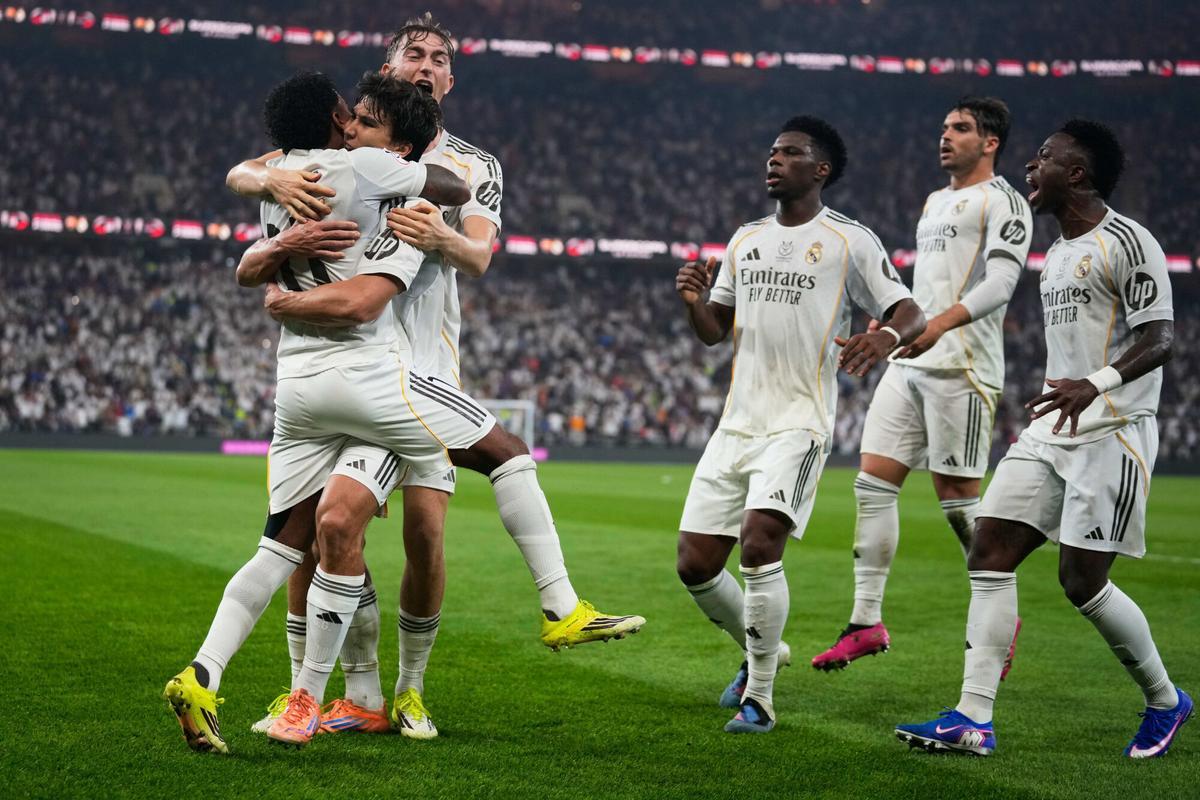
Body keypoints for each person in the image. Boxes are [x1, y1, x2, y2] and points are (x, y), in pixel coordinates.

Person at [231, 15, 642, 742]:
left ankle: (407, 690)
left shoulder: (472, 166)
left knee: (419, 537)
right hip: (347, 364)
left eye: (439, 58)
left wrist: (439, 235)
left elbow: (478, 256)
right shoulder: (346, 143)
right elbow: (243, 171)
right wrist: (272, 175)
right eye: (412, 53)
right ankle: (345, 695)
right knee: (326, 528)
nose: (426, 63)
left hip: (421, 371)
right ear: (387, 67)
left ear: (452, 79)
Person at [163, 69, 470, 754]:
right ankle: (312, 696)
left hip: (294, 386)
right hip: (369, 383)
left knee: (283, 543)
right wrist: (409, 167)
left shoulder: (280, 181)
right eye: (349, 112)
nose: (355, 119)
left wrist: (269, 221)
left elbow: (247, 258)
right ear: (337, 117)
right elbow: (455, 191)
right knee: (476, 450)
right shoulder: (364, 164)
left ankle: (203, 672)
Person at [895, 120, 1190, 758]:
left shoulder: (1129, 240)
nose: (1032, 167)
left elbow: (1162, 337)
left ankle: (1167, 700)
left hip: (1115, 434)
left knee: (1082, 583)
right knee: (989, 551)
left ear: (1077, 174)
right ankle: (973, 718)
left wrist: (1097, 382)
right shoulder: (1054, 253)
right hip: (1050, 432)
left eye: (1045, 159)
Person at [674, 116, 926, 734]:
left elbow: (910, 309)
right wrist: (694, 304)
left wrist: (885, 336)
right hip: (738, 422)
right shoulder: (745, 239)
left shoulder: (848, 240)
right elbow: (715, 333)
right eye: (772, 151)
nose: (774, 160)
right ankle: (765, 649)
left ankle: (758, 696)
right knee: (695, 564)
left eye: (791, 153)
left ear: (822, 170)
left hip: (799, 421)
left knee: (760, 542)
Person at [813, 97, 1032, 672]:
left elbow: (1002, 282)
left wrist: (937, 325)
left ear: (990, 142)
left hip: (961, 366)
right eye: (943, 128)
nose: (945, 136)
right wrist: (896, 323)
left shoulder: (1004, 201)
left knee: (959, 507)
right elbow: (925, 284)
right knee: (871, 485)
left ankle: (1001, 615)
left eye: (960, 129)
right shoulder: (936, 200)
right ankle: (866, 622)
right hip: (909, 361)